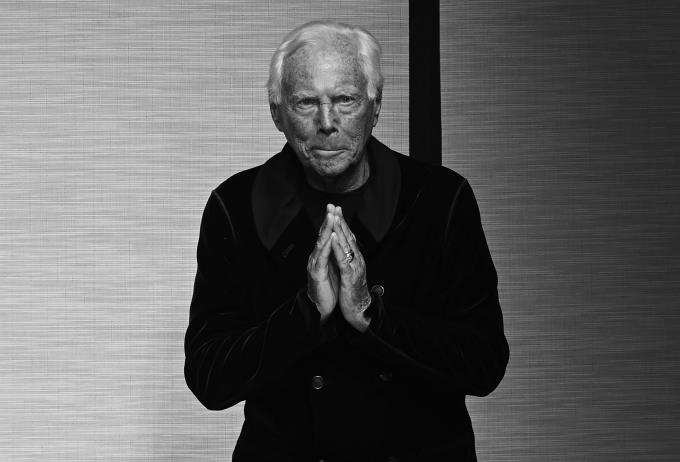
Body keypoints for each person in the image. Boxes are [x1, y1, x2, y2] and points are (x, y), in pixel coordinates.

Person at [184, 20, 509, 461]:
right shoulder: (235, 205)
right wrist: (306, 313)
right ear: (277, 112)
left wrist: (371, 314)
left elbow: (484, 364)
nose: (327, 123)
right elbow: (209, 378)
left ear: (375, 106)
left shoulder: (440, 199)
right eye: (305, 102)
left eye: (345, 100)